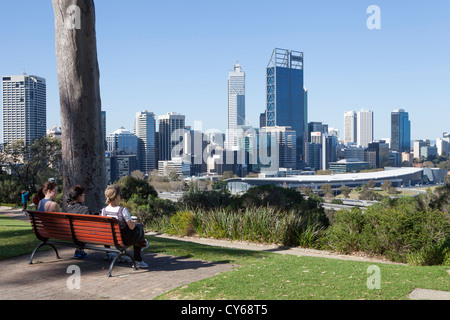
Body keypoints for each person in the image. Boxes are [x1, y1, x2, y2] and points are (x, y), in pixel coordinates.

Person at [101, 184, 149, 269]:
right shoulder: (123, 210)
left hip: (110, 239)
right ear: (116, 197)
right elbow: (131, 227)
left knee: (136, 230)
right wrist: (134, 222)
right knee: (139, 227)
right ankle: (138, 259)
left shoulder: (104, 211)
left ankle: (142, 244)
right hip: (124, 240)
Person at [66, 185, 93, 259]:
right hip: (83, 235)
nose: (84, 194)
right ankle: (109, 253)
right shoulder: (85, 210)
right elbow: (91, 226)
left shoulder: (68, 209)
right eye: (82, 193)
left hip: (70, 234)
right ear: (78, 196)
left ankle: (79, 250)